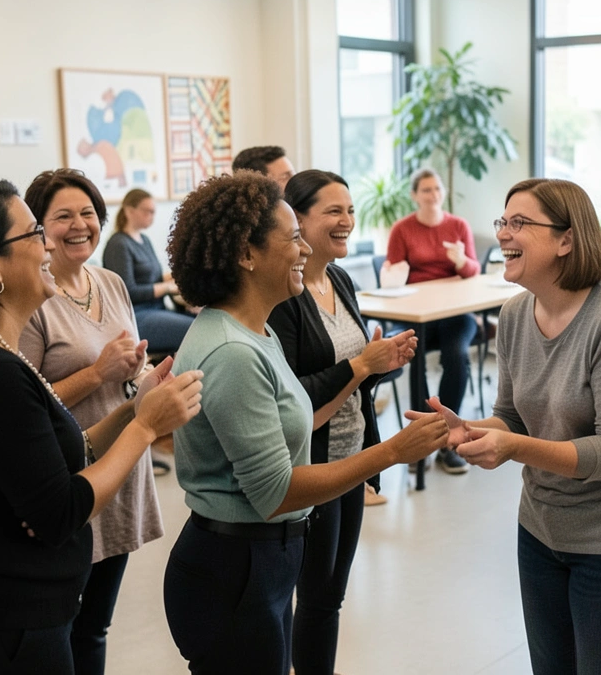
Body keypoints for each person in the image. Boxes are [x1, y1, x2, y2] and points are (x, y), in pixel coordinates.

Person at [0, 182, 202, 674]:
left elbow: (61, 454)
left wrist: (131, 410)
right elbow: (61, 509)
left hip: (3, 611)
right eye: (34, 233)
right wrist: (146, 429)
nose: (47, 246)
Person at [161, 172, 447, 674]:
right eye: (293, 238)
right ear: (247, 255)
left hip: (258, 561)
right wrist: (393, 452)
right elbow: (276, 493)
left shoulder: (255, 330)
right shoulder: (232, 350)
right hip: (234, 567)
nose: (303, 251)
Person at [408, 178, 601, 674]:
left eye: (520, 223)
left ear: (566, 240)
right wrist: (468, 428)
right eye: (502, 222)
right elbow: (511, 416)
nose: (504, 234)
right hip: (541, 528)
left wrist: (513, 447)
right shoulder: (513, 314)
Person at [267, 170, 417, 675]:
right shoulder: (283, 298)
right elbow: (291, 402)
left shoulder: (341, 279)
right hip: (310, 465)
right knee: (304, 597)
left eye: (350, 210)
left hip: (353, 457)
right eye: (334, 211)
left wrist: (379, 365)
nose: (347, 221)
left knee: (327, 597)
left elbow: (354, 378)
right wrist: (362, 366)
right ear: (297, 219)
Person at [19, 171, 163, 675]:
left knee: (96, 625)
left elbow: (125, 370)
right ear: (37, 228)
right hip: (68, 475)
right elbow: (22, 405)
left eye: (88, 214)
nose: (79, 225)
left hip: (119, 466)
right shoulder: (30, 296)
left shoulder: (111, 281)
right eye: (63, 216)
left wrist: (147, 378)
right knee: (61, 624)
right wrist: (96, 372)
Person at [386, 166, 480, 474]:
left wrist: (461, 261)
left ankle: (447, 440)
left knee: (457, 356)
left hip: (454, 314)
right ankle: (422, 442)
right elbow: (393, 274)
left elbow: (473, 271)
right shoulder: (402, 229)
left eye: (437, 189)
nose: (433, 195)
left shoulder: (458, 225)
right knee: (414, 359)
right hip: (418, 314)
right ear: (414, 195)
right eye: (426, 190)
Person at [102, 187, 195, 354]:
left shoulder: (144, 240)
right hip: (138, 316)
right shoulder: (118, 245)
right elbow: (128, 292)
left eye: (153, 212)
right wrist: (167, 287)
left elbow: (155, 278)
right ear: (129, 211)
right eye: (148, 212)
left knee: (203, 319)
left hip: (157, 309)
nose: (152, 217)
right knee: (197, 329)